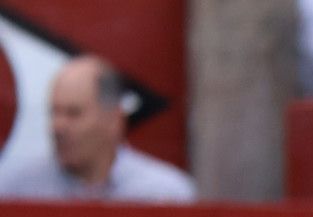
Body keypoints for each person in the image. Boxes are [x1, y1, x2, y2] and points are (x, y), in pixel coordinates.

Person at [0, 57, 195, 203]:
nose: (58, 126)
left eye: (73, 113)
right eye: (54, 112)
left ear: (113, 120)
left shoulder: (162, 195)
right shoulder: (18, 192)